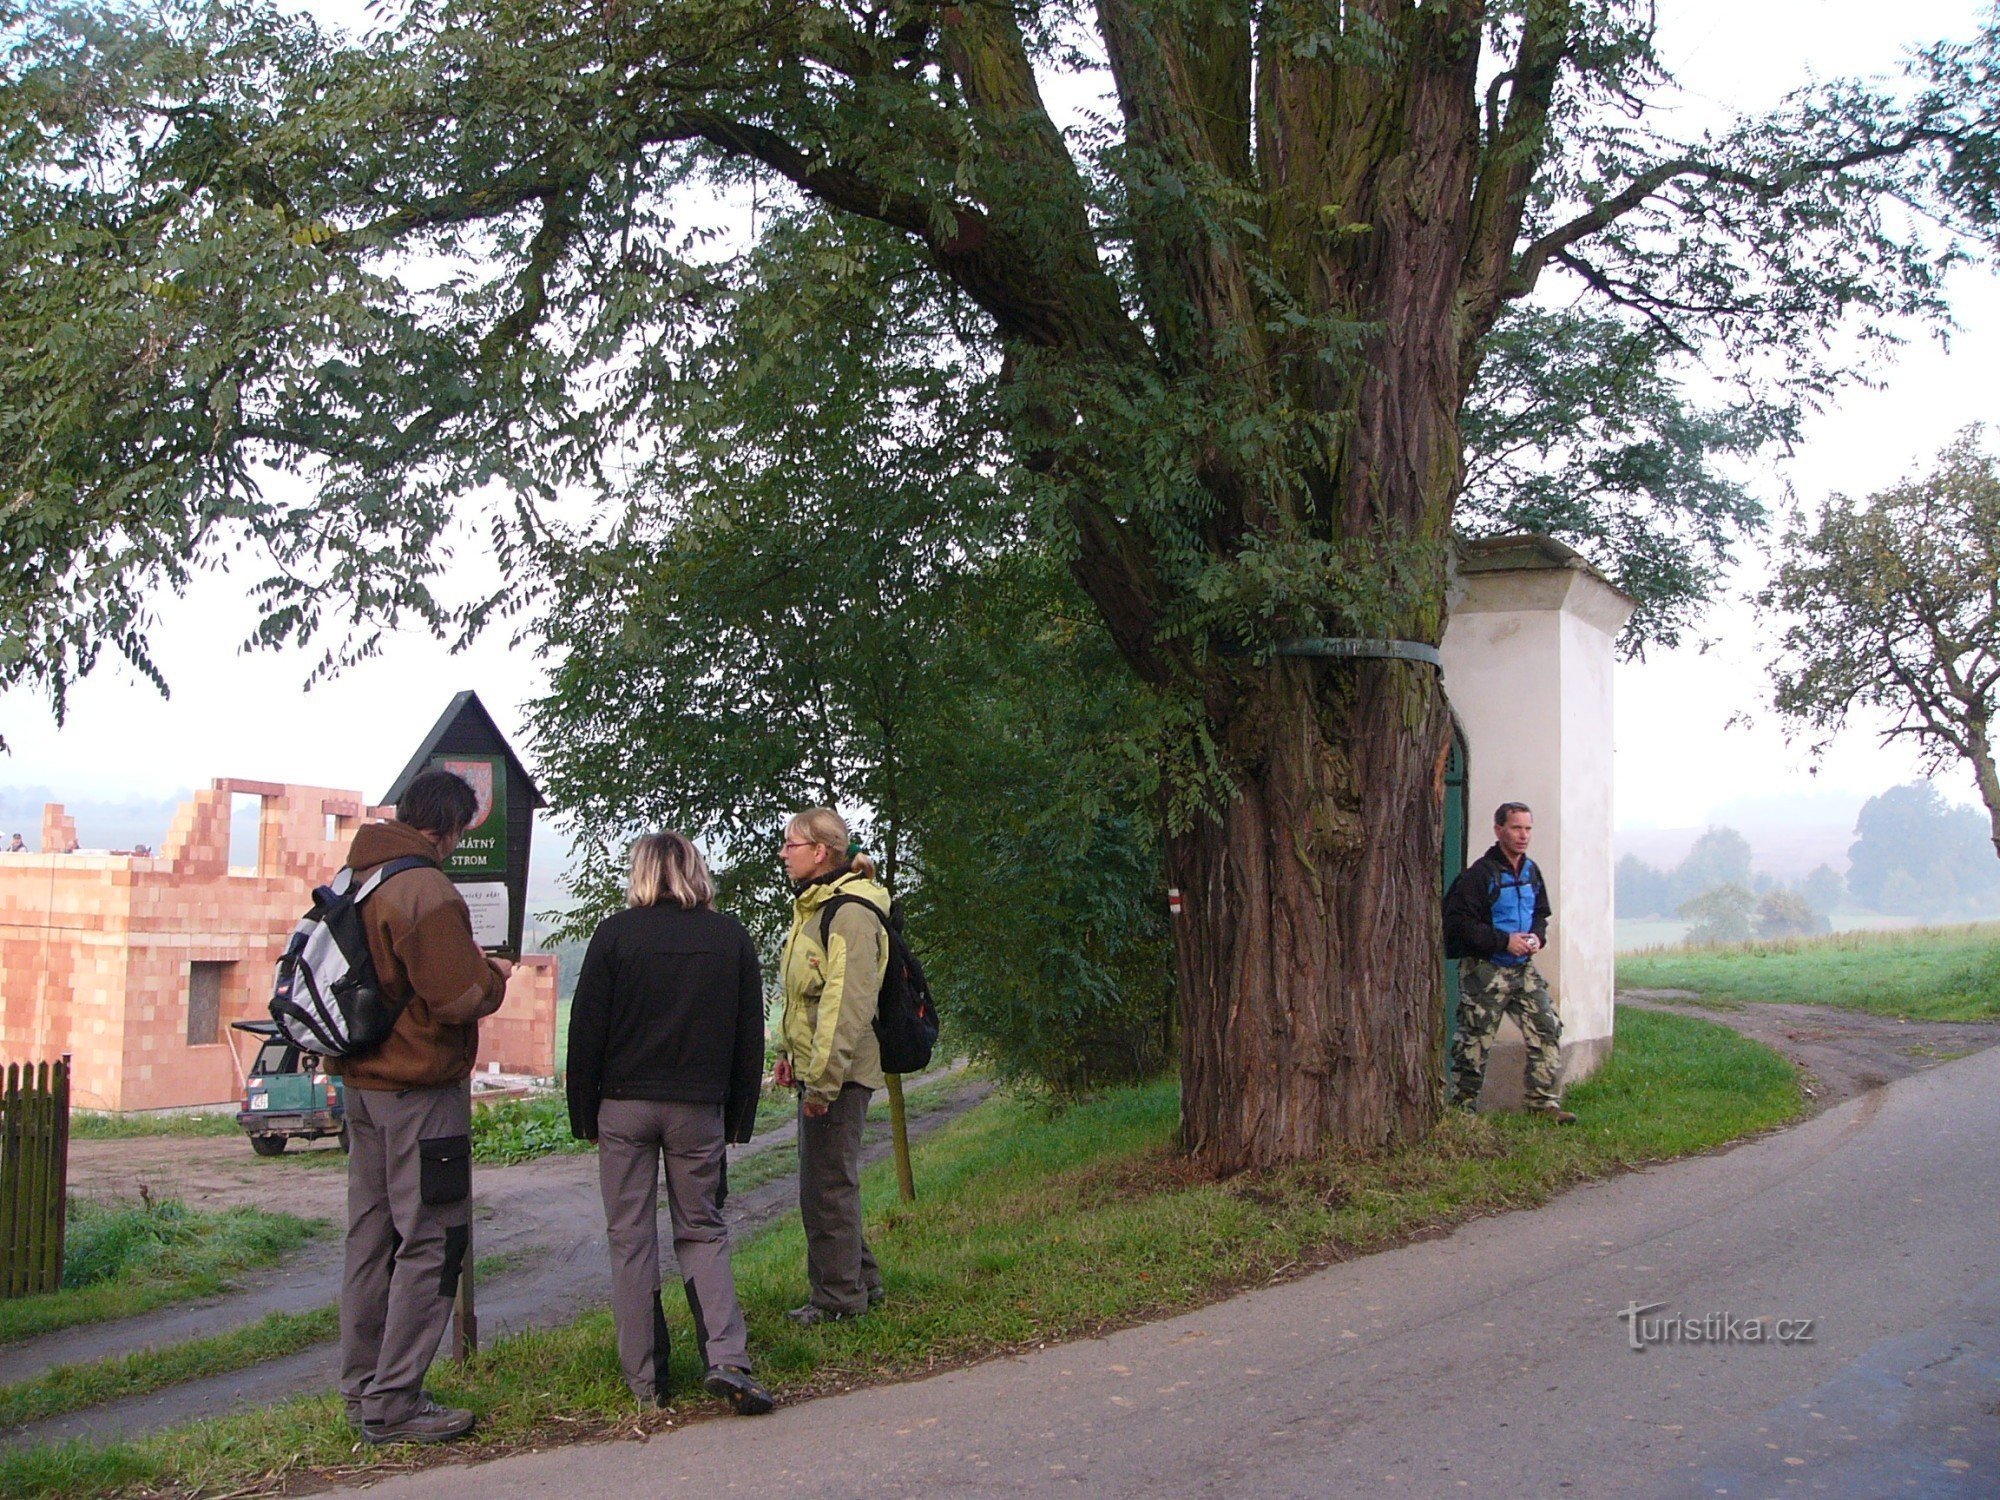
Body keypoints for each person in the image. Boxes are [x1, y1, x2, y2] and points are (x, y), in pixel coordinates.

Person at [566, 832, 774, 1416]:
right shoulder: (729, 937)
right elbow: (747, 1038)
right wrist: (738, 1117)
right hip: (697, 1109)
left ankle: (646, 1383)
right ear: (695, 871)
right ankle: (728, 1358)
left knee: (630, 1239)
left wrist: (584, 1114)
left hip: (624, 1107)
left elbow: (586, 1033)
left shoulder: (613, 935)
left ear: (642, 873)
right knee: (702, 1229)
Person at [335, 769, 513, 1443]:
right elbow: (456, 996)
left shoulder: (359, 875)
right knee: (433, 1237)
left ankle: (362, 1390)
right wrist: (494, 977)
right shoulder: (424, 889)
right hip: (420, 1087)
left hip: (363, 1084)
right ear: (450, 827)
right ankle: (396, 1402)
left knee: (371, 1238)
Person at [774, 806, 889, 1325]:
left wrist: (822, 1083)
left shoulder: (849, 914)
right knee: (828, 1181)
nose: (782, 853)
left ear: (820, 852)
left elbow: (847, 1007)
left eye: (790, 845)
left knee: (825, 1187)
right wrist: (787, 1054)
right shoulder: (816, 908)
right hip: (819, 1066)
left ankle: (839, 1302)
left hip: (840, 1071)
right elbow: (805, 996)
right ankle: (862, 1284)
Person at [1442, 800, 1575, 1123]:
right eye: (1516, 828)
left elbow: (1541, 913)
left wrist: (1536, 937)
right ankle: (1462, 1111)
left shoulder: (1531, 872)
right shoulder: (1478, 875)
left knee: (1547, 1028)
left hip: (1522, 970)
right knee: (1475, 1041)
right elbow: (1458, 922)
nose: (1523, 835)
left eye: (1528, 828)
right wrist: (1504, 941)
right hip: (1485, 970)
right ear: (1499, 829)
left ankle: (1542, 1105)